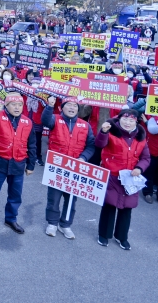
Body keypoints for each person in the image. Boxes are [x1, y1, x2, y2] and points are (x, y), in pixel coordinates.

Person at [0, 93, 36, 234]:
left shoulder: (28, 122)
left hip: (18, 163)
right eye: (13, 104)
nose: (17, 107)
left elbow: (33, 144)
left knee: (15, 195)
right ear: (6, 105)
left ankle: (11, 218)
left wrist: (31, 165)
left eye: (20, 105)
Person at [41, 96, 95, 239]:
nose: (72, 108)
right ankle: (52, 223)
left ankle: (65, 224)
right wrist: (49, 106)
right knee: (54, 197)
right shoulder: (54, 119)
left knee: (71, 198)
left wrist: (83, 158)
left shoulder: (85, 125)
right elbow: (45, 120)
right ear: (61, 107)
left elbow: (90, 146)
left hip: (75, 168)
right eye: (68, 105)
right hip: (57, 166)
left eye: (75, 106)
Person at [96, 110, 150, 250]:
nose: (127, 123)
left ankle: (122, 237)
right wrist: (103, 132)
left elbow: (146, 158)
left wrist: (140, 168)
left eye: (131, 120)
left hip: (131, 178)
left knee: (127, 208)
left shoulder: (141, 137)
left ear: (136, 122)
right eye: (125, 119)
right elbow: (100, 144)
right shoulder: (111, 130)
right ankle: (104, 235)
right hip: (112, 175)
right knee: (109, 205)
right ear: (119, 119)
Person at [143, 114, 158, 204]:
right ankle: (148, 193)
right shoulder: (154, 119)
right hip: (152, 151)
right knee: (149, 173)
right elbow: (151, 130)